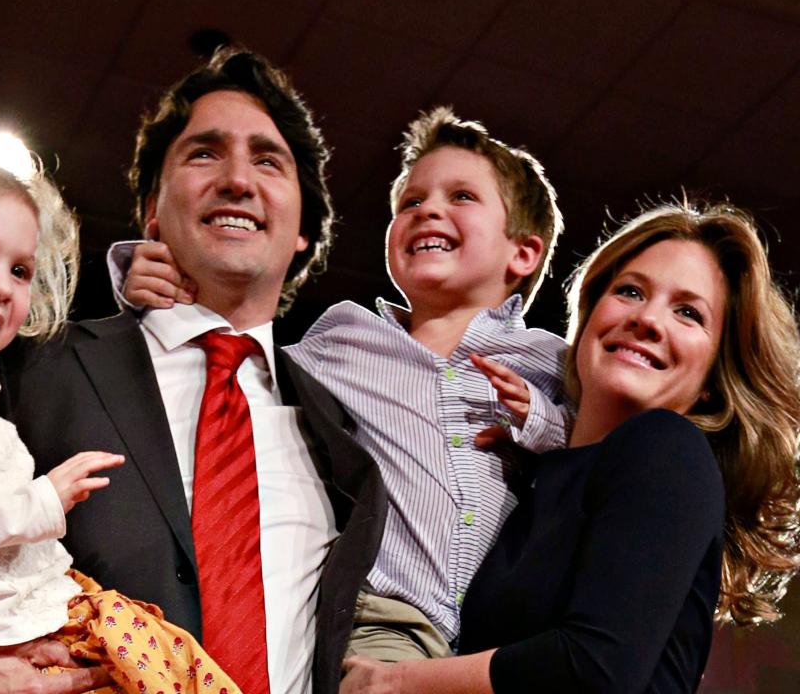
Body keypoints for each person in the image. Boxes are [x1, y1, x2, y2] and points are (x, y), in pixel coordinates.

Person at [0, 49, 386, 694]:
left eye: (269, 160)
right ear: (152, 209)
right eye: (204, 153)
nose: (239, 180)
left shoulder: (346, 423)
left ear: (304, 230)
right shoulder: (26, 365)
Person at [115, 106, 567, 660]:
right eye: (411, 202)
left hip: (507, 631)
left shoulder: (551, 361)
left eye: (461, 198)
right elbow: (236, 366)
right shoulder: (347, 336)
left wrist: (540, 423)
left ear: (523, 252)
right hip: (385, 617)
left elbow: (600, 456)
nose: (429, 212)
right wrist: (148, 283)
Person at [339, 202, 800, 693]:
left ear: (711, 380)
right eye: (630, 291)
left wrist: (397, 680)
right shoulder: (537, 484)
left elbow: (594, 668)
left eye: (688, 313)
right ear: (586, 320)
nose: (647, 318)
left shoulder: (668, 447)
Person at [0, 143, 241, 694]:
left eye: (21, 269)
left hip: (49, 614)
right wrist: (36, 504)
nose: (3, 285)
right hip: (17, 635)